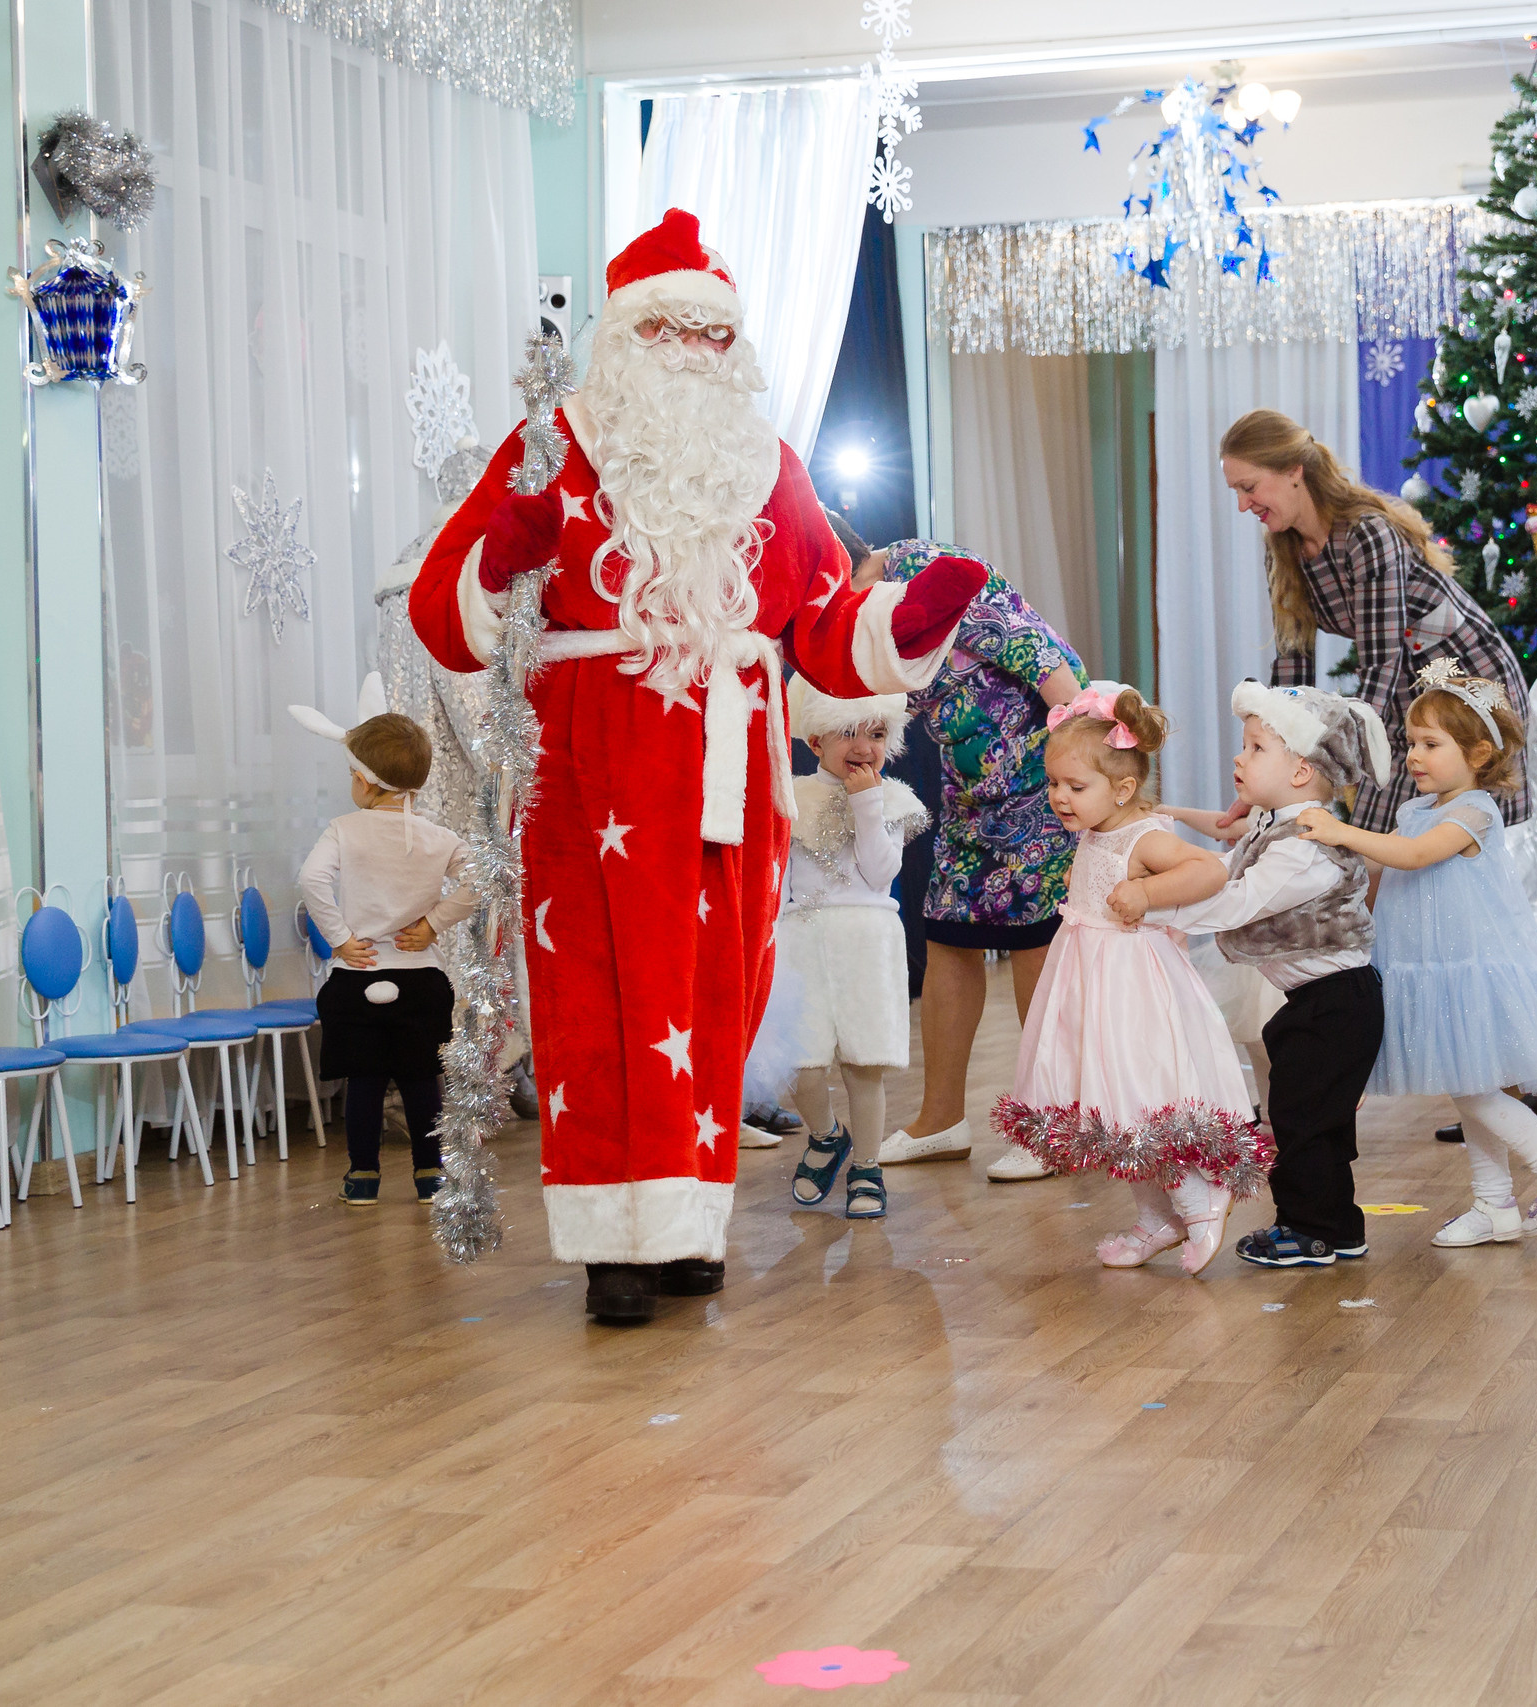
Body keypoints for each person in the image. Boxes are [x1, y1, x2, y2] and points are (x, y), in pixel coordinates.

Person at [410, 209, 979, 1325]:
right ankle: (608, 1244)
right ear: (623, 336)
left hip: (730, 773)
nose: (689, 351)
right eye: (665, 328)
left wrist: (903, 626)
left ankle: (684, 1228)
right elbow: (446, 613)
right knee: (594, 1001)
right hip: (587, 765)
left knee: (716, 999)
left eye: (710, 334)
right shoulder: (550, 445)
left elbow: (818, 625)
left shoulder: (766, 463)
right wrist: (503, 558)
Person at [1219, 410, 1537, 1150]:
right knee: (1392, 875)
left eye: (1249, 487)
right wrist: (1267, 765)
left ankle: (1515, 1079)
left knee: (1427, 873)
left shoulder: (1367, 532)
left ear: (1292, 472)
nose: (1244, 504)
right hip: (1404, 696)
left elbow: (1379, 665)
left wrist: (1335, 773)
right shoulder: (1291, 549)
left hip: (1458, 694)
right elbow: (1291, 668)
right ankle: (1461, 1081)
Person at [1299, 660, 1537, 1249]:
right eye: (1412, 742)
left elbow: (1414, 857)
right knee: (1470, 1086)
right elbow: (1385, 868)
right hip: (1426, 971)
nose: (1414, 755)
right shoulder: (1414, 812)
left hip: (1469, 972)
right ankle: (1493, 1206)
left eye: (1431, 744)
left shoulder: (1474, 812)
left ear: (1480, 754)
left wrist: (1341, 832)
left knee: (1476, 1090)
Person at [834, 519, 1088, 1183]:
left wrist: (1083, 773)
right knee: (948, 936)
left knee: (1036, 942)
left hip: (1040, 773)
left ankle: (1050, 1125)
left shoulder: (935, 572)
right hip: (970, 788)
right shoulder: (858, 609)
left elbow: (1049, 667)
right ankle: (941, 1119)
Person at [992, 684, 1267, 1276]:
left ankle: (1197, 1201)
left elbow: (1209, 869)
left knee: (1141, 1093)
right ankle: (1155, 1218)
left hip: (1130, 984)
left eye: (1075, 786)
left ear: (1122, 788)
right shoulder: (1096, 831)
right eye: (1054, 784)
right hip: (1089, 980)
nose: (1060, 797)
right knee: (1111, 1103)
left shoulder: (1144, 835)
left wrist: (1145, 892)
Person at [1123, 683, 1393, 1269]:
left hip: (1335, 1003)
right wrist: (1175, 879)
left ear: (1301, 771)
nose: (1239, 759)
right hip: (1315, 1000)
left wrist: (1155, 903)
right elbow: (1225, 869)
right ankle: (1338, 1226)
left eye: (1255, 748)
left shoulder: (1307, 845)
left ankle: (1309, 1230)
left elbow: (1239, 901)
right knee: (1308, 1118)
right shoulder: (1276, 828)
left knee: (1302, 1121)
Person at [295, 710, 476, 1208]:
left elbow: (312, 880)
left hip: (358, 975)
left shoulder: (343, 830)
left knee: (365, 1081)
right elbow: (484, 880)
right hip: (421, 979)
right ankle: (429, 1176)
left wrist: (339, 938)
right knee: (422, 1079)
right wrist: (433, 924)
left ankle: (363, 1177)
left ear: (362, 779)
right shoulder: (437, 836)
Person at [778, 682, 928, 1221]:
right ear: (815, 739)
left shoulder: (892, 801)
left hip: (867, 939)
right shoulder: (792, 796)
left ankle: (867, 1164)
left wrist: (867, 806)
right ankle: (826, 1135)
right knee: (802, 1062)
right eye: (848, 732)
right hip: (803, 938)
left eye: (878, 733)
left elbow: (879, 872)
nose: (864, 745)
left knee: (865, 1064)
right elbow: (779, 878)